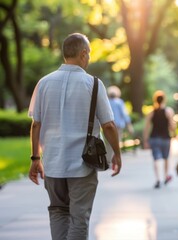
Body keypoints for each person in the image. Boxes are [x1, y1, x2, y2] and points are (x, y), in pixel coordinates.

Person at [28, 33, 122, 240]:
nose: (88, 58)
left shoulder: (43, 83)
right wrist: (117, 153)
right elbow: (108, 125)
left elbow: (36, 124)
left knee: (58, 211)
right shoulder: (94, 84)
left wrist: (35, 159)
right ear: (83, 54)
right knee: (79, 218)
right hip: (82, 165)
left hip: (52, 163)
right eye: (88, 54)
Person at [143, 91, 176, 189]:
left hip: (154, 138)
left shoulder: (152, 112)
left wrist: (145, 140)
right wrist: (174, 134)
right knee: (166, 158)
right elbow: (172, 126)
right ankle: (165, 176)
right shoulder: (168, 111)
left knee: (156, 159)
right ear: (164, 99)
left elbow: (147, 127)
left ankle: (158, 179)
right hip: (166, 138)